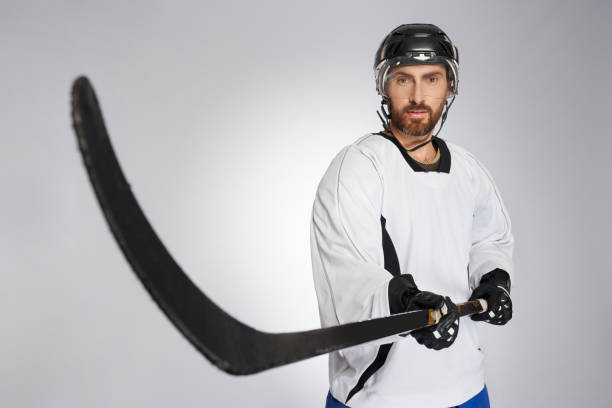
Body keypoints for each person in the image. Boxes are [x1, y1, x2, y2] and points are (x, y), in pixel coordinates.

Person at [310, 23, 514, 407]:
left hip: (467, 388)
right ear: (384, 86)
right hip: (381, 396)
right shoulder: (359, 168)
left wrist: (495, 279)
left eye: (432, 78)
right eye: (404, 79)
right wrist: (405, 305)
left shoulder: (469, 170)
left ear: (449, 87)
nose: (419, 95)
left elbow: (491, 239)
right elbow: (346, 276)